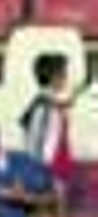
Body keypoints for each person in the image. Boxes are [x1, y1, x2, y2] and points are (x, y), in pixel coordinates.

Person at [21, 54, 77, 193]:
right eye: (62, 75)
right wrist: (38, 161)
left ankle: (60, 212)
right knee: (52, 189)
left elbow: (61, 105)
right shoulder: (42, 104)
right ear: (51, 78)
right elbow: (35, 136)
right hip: (49, 155)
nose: (65, 79)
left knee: (61, 187)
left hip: (60, 151)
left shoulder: (51, 101)